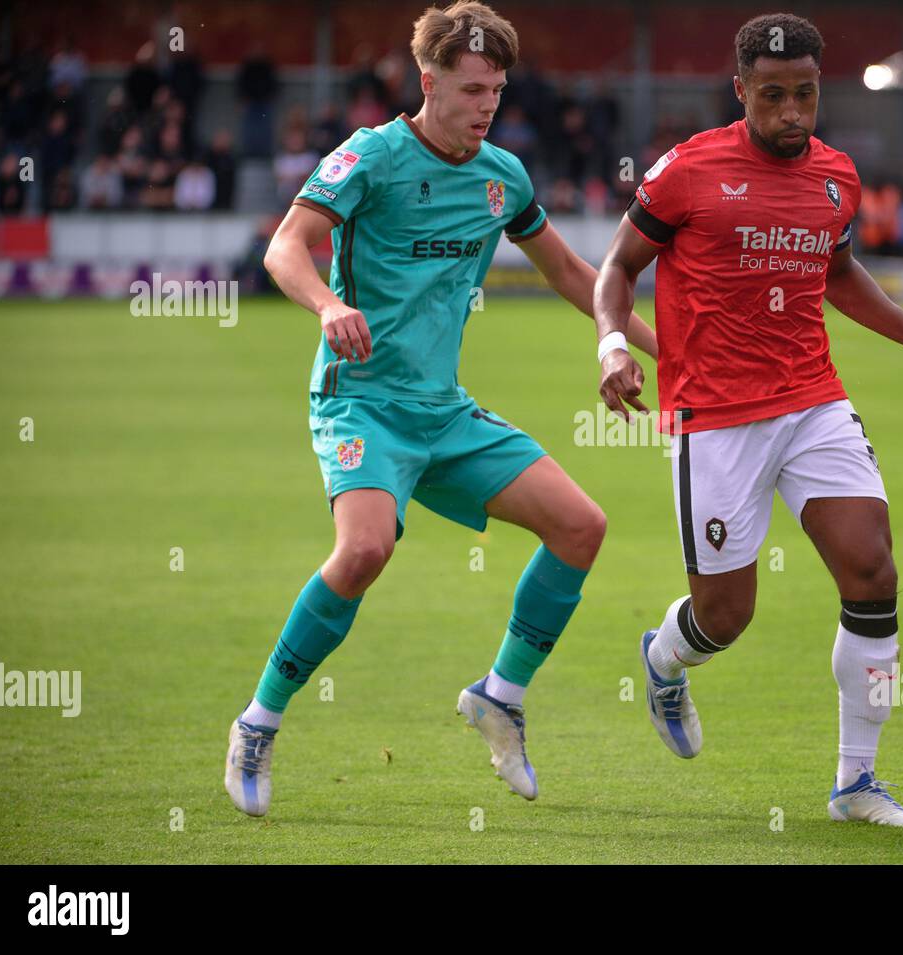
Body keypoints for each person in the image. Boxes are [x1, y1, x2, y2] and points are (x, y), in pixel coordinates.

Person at [224, 1, 656, 817]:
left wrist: (657, 345)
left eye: (496, 88)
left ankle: (500, 693)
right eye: (470, 89)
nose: (487, 104)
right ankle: (259, 721)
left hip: (443, 412)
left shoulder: (504, 176)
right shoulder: (372, 157)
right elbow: (285, 244)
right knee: (364, 551)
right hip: (362, 403)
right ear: (429, 82)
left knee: (581, 525)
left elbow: (572, 272)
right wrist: (325, 306)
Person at [593, 12, 903, 827]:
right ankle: (666, 657)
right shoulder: (686, 171)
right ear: (741, 90)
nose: (790, 113)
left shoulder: (836, 177)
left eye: (804, 95)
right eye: (772, 96)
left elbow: (838, 271)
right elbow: (617, 268)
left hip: (813, 400)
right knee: (726, 615)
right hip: (716, 418)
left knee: (873, 572)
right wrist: (611, 344)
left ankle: (856, 782)